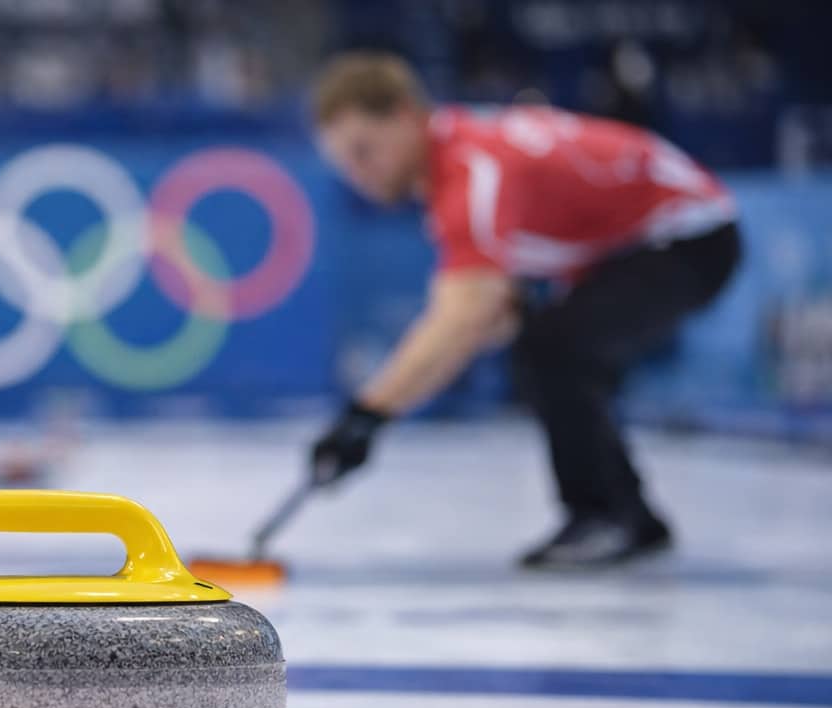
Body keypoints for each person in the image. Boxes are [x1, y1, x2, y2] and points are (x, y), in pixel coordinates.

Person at [306, 53, 740, 569]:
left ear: (404, 114)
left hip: (689, 236)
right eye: (345, 165)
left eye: (364, 152)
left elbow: (463, 315)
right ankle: (626, 514)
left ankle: (608, 515)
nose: (361, 176)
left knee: (555, 347)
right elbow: (486, 310)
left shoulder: (472, 172)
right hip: (640, 243)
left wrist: (366, 416)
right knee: (547, 344)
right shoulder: (461, 152)